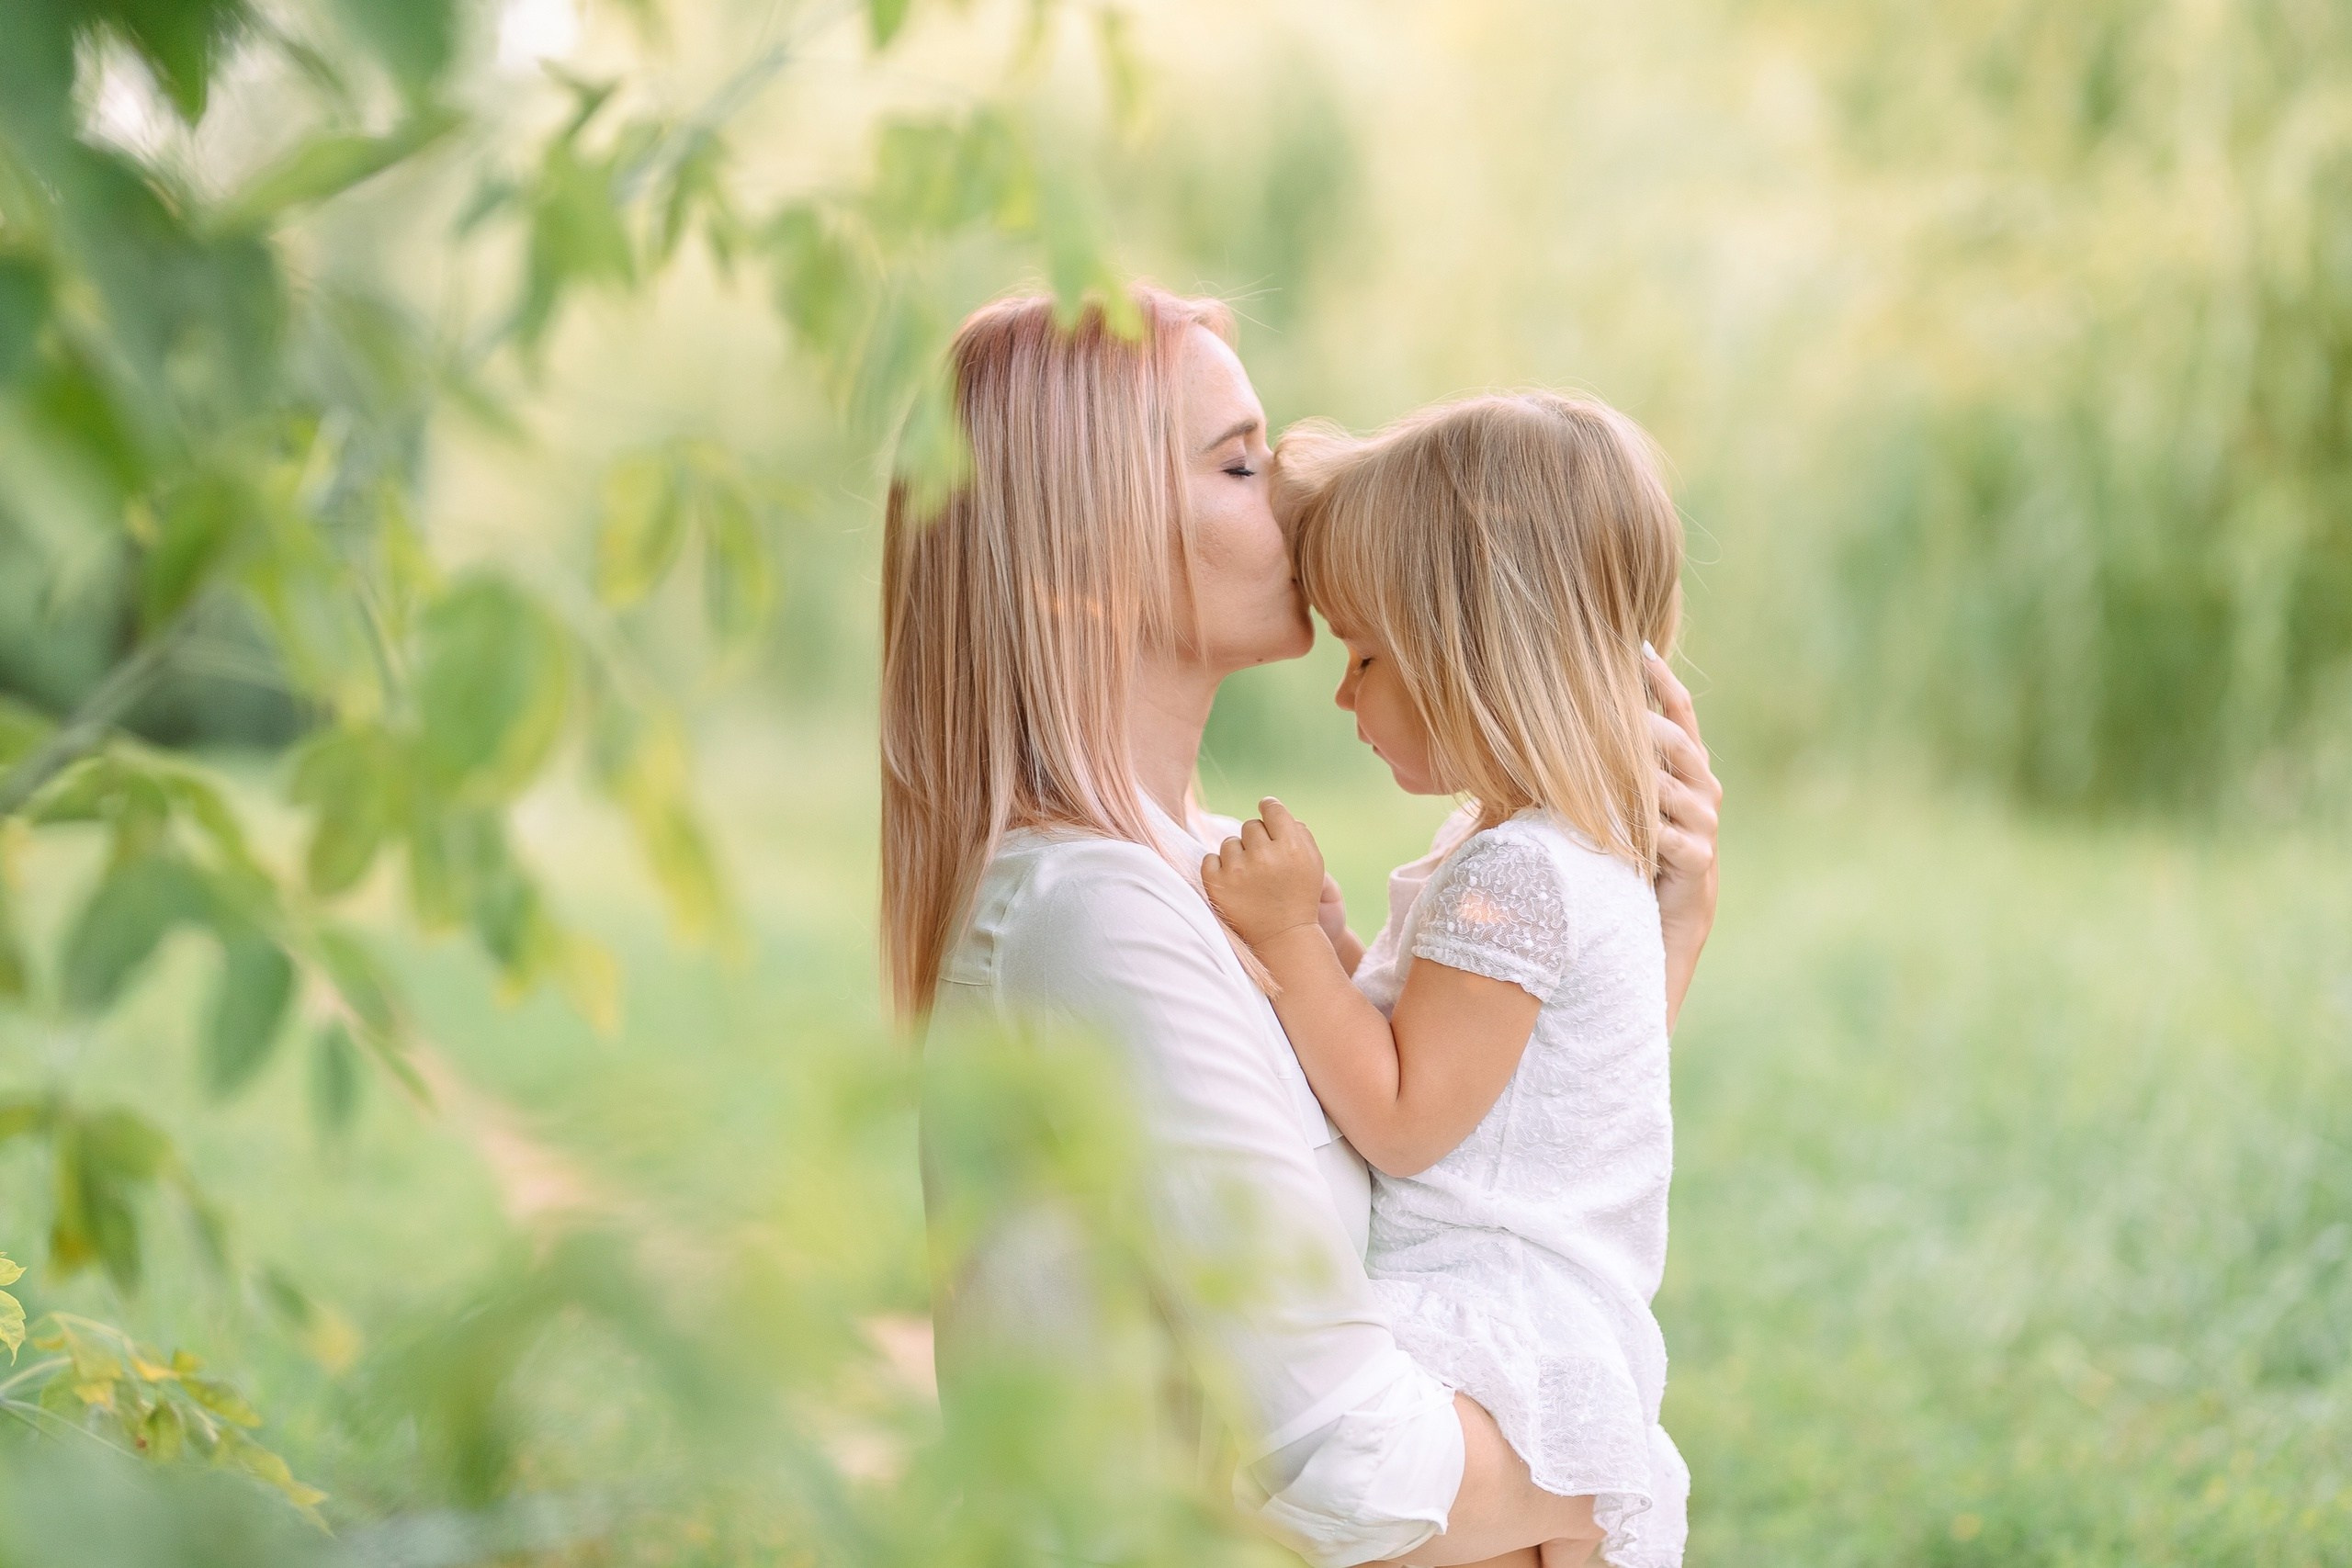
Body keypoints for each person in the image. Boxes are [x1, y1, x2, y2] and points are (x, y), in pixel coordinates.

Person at [882, 286, 1721, 1567]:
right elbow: (1348, 1460)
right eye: (1236, 463)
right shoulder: (1095, 914)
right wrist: (1611, 1473)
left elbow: (1464, 1151)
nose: (1291, 499)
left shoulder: (1196, 868)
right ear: (1077, 563)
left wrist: (1642, 958)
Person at [1201, 393, 1690, 1568]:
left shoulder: (1515, 872)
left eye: (1366, 652)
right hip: (1544, 1330)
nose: (1343, 690)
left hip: (1484, 1323)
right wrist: (1331, 950)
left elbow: (1408, 1121)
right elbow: (1472, 1078)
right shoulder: (1546, 851)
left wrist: (1281, 949)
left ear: (1472, 653)